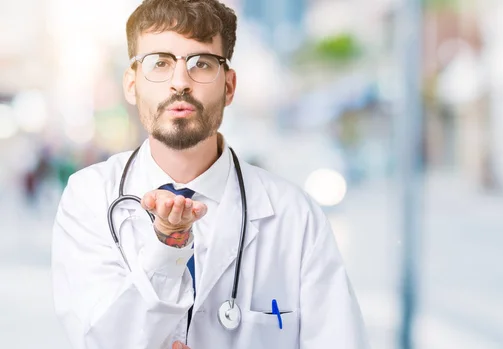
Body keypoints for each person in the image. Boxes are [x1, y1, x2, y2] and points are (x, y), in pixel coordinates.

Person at [51, 0, 369, 348]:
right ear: (131, 84)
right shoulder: (89, 197)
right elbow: (96, 340)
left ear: (229, 86)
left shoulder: (295, 215)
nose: (180, 82)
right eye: (160, 63)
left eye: (201, 63)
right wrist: (167, 245)